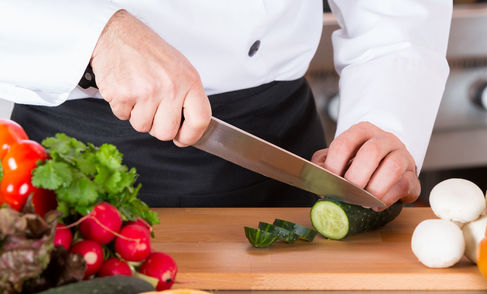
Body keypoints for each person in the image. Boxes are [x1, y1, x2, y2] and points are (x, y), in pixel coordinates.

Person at [0, 1, 452, 208]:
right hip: (67, 154)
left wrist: (386, 119)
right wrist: (95, 34)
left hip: (281, 153)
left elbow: (398, 19)